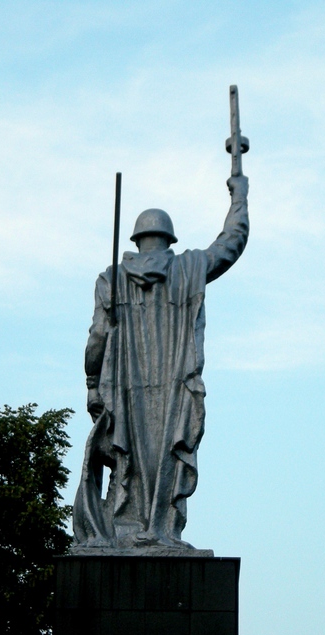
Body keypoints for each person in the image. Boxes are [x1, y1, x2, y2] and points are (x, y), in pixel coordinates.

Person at [72, 174, 249, 551]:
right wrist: (239, 196)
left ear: (137, 239)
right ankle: (159, 530)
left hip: (125, 393)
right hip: (175, 388)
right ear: (170, 239)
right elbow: (231, 242)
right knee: (170, 449)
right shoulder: (191, 267)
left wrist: (91, 384)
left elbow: (97, 338)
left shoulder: (113, 279)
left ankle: (129, 529)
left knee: (127, 457)